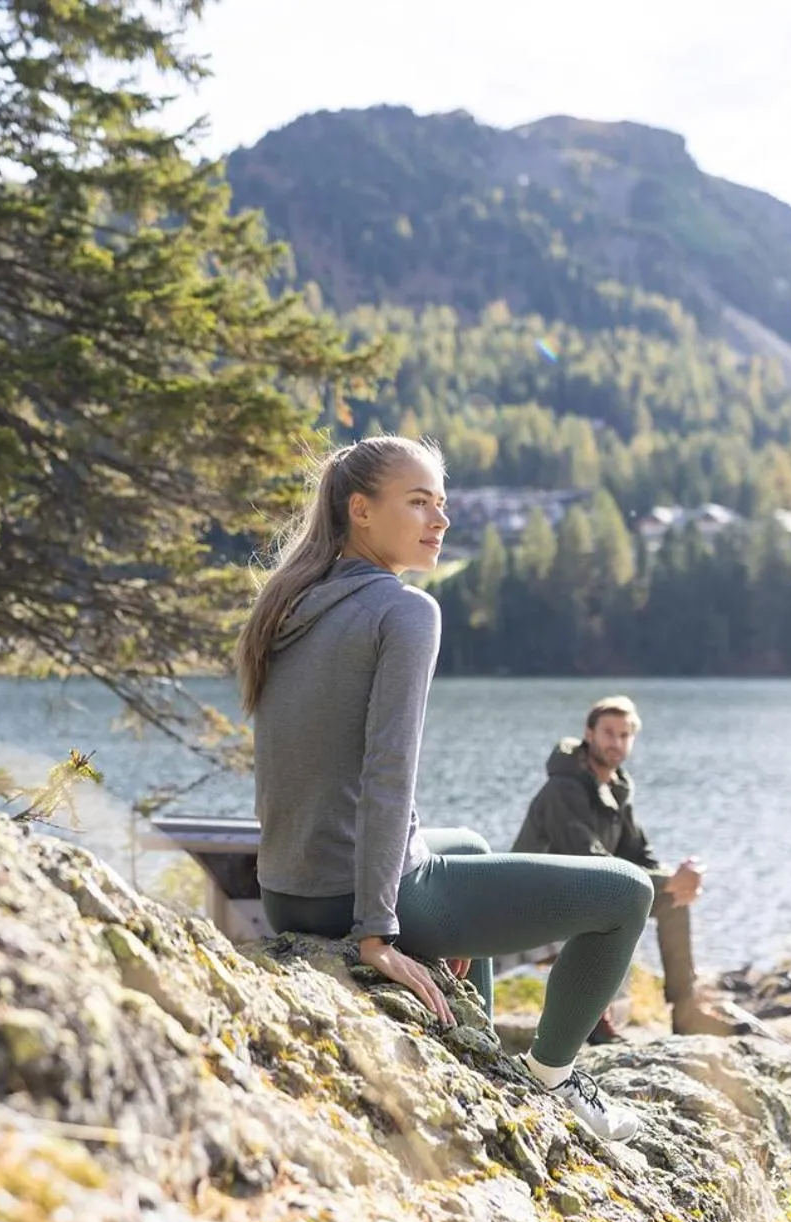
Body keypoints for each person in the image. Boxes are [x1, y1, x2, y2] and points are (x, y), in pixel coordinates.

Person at [237, 435, 652, 1142]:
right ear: (361, 510)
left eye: (443, 504)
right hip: (350, 897)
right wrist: (377, 931)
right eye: (419, 502)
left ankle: (473, 1039)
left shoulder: (293, 600)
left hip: (286, 887)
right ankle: (551, 1075)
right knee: (625, 894)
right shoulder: (403, 611)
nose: (440, 520)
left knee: (471, 844)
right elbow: (385, 771)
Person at [512, 697, 739, 1039]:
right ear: (589, 734)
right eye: (608, 733)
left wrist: (676, 882)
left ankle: (686, 1010)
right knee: (613, 898)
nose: (616, 742)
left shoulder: (616, 788)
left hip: (580, 893)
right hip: (533, 901)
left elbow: (640, 855)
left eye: (625, 734)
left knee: (671, 902)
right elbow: (589, 861)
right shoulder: (563, 788)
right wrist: (665, 881)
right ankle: (589, 1018)